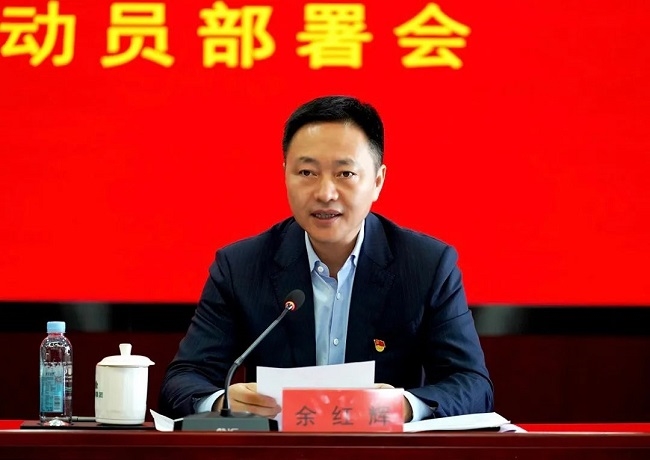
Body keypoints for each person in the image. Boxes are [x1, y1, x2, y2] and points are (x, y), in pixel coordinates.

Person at [159, 95, 493, 422]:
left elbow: (473, 384)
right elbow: (183, 380)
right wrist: (222, 402)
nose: (324, 193)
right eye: (307, 172)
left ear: (377, 181)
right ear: (285, 175)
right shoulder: (241, 267)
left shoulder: (426, 266)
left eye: (345, 174)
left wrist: (402, 405)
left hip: (382, 451)